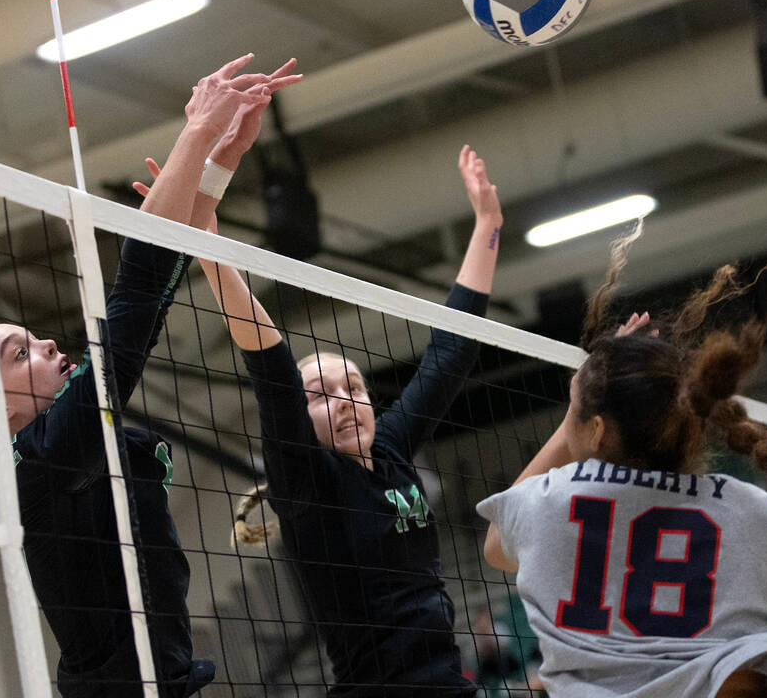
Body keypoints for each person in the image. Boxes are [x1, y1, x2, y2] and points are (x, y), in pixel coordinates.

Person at [0, 54, 301, 697]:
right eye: (21, 354)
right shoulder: (32, 467)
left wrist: (216, 164)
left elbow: (154, 288)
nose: (46, 341)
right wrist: (195, 133)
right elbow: (134, 300)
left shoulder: (66, 447)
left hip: (166, 680)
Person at [476, 228, 767, 698]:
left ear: (594, 428)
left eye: (574, 406)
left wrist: (593, 395)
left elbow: (496, 545)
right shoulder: (761, 518)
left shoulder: (543, 508)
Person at [136, 142, 502, 696]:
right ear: (299, 422)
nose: (345, 399)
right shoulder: (307, 481)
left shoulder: (392, 448)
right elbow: (273, 368)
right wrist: (209, 251)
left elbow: (453, 350)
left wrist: (488, 225)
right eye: (321, 395)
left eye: (352, 386)